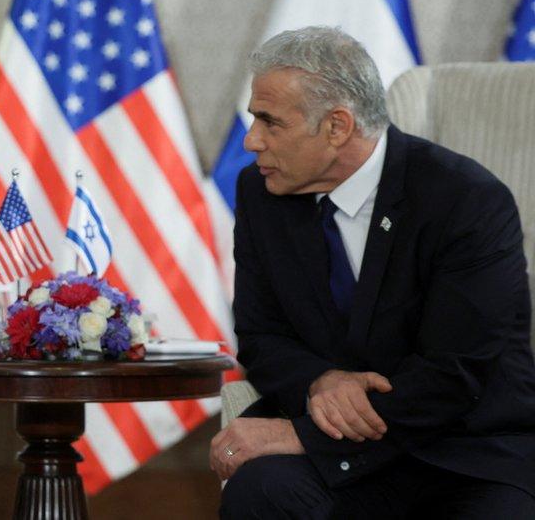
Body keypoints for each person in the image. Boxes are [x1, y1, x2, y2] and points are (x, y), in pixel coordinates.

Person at [210, 26, 535, 518]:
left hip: (464, 454)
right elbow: (261, 334)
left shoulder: (465, 199)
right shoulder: (261, 194)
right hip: (342, 470)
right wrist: (322, 381)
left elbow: (458, 370)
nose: (252, 141)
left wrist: (304, 433)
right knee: (260, 490)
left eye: (269, 122)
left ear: (337, 127)